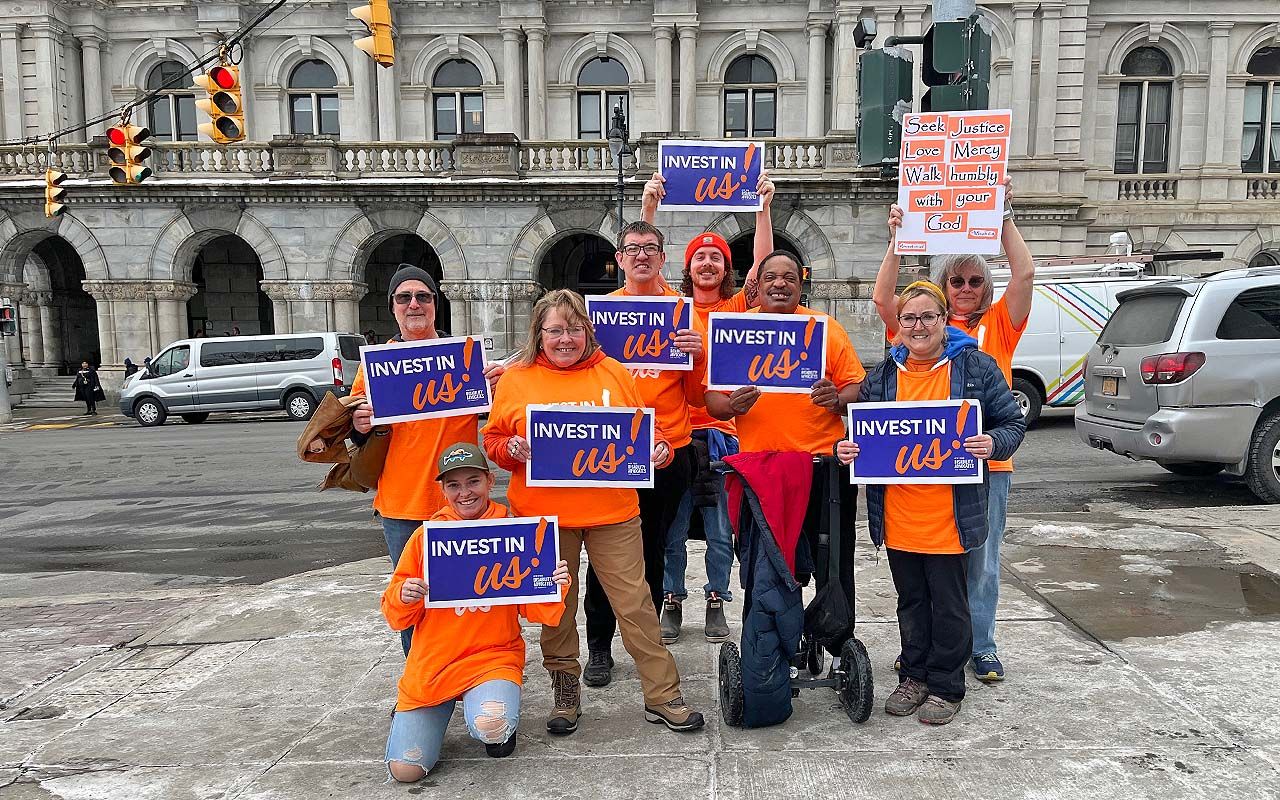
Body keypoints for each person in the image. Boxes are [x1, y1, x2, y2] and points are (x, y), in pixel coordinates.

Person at [482, 289, 705, 735]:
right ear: (539, 334)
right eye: (555, 331)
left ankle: (662, 694)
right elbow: (493, 439)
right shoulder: (516, 379)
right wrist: (511, 448)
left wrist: (659, 448)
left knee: (636, 604)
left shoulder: (615, 372)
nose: (565, 339)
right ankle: (566, 691)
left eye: (574, 329)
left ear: (588, 331)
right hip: (545, 520)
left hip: (613, 513)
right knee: (556, 608)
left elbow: (646, 429)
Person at [837, 280, 1026, 725]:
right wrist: (846, 448)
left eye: (927, 317)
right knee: (911, 601)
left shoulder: (976, 367)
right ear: (898, 324)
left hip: (950, 516)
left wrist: (992, 442)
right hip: (899, 515)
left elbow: (1012, 423)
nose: (918, 326)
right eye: (909, 318)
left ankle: (945, 685)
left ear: (944, 320)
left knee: (949, 606)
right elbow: (860, 434)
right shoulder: (883, 375)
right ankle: (914, 675)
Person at [872, 181, 1033, 683]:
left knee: (980, 563)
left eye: (975, 281)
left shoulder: (998, 325)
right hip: (921, 476)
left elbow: (1025, 273)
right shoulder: (916, 328)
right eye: (957, 280)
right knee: (932, 574)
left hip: (987, 464)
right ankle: (932, 650)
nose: (966, 288)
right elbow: (883, 299)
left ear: (986, 287)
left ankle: (979, 647)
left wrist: (1003, 214)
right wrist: (897, 239)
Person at [639, 170, 775, 645]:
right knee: (673, 529)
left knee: (721, 530)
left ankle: (717, 597)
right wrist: (649, 207)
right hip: (677, 433)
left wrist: (763, 209)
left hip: (724, 433)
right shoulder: (670, 306)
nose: (708, 263)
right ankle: (672, 598)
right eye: (700, 256)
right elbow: (642, 266)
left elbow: (763, 268)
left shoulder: (738, 308)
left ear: (726, 268)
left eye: (716, 256)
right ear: (687, 266)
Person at [381, 442, 570, 780]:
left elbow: (537, 611)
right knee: (406, 770)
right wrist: (404, 595)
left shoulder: (516, 531)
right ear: (442, 490)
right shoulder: (426, 537)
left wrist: (554, 584)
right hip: (434, 662)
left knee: (491, 726)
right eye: (453, 485)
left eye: (473, 482)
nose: (464, 493)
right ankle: (438, 707)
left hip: (492, 657)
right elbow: (396, 615)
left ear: (490, 481)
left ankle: (496, 718)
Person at [704, 250, 867, 625]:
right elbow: (712, 400)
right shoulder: (735, 331)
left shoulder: (825, 328)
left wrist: (837, 399)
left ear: (801, 285)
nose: (780, 284)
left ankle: (836, 637)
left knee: (833, 565)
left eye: (789, 278)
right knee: (764, 567)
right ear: (757, 286)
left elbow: (857, 388)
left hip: (823, 468)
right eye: (771, 277)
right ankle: (767, 639)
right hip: (760, 473)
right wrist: (730, 405)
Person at [349, 264, 504, 656]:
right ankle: (420, 673)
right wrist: (359, 424)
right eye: (404, 297)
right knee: (412, 598)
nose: (414, 304)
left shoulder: (465, 359)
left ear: (436, 304)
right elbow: (357, 434)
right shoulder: (376, 365)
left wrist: (500, 386)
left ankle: (469, 668)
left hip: (462, 502)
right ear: (393, 307)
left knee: (468, 595)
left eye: (423, 296)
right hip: (401, 506)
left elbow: (497, 416)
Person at [578, 220, 707, 687]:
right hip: (610, 453)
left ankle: (645, 646)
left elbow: (697, 398)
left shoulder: (683, 314)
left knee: (651, 553)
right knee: (603, 555)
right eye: (632, 249)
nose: (641, 256)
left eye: (650, 248)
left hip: (667, 453)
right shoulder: (598, 317)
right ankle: (599, 646)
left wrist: (698, 357)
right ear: (619, 259)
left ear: (662, 258)